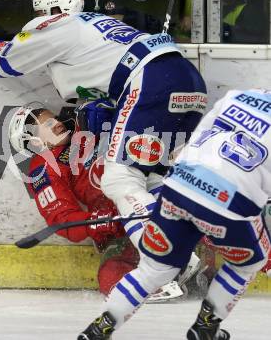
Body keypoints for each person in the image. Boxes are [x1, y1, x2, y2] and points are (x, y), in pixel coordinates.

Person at [0, 0, 206, 278]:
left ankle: (167, 261)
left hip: (149, 81)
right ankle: (187, 253)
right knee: (154, 175)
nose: (48, 120)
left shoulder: (58, 24)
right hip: (186, 80)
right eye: (35, 122)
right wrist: (96, 221)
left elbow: (2, 60)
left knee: (121, 179)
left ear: (49, 12)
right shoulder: (97, 27)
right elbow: (64, 214)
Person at [78, 88, 271, 340]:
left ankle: (97, 331)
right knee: (249, 263)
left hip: (179, 184)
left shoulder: (239, 94)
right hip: (228, 199)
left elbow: (197, 140)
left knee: (156, 268)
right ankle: (205, 329)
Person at [7, 102, 185, 300]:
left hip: (156, 194)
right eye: (47, 125)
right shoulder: (45, 166)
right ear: (34, 142)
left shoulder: (84, 123)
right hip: (119, 230)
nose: (57, 123)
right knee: (111, 273)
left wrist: (108, 114)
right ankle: (158, 282)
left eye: (54, 119)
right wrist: (98, 221)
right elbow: (63, 219)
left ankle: (192, 264)